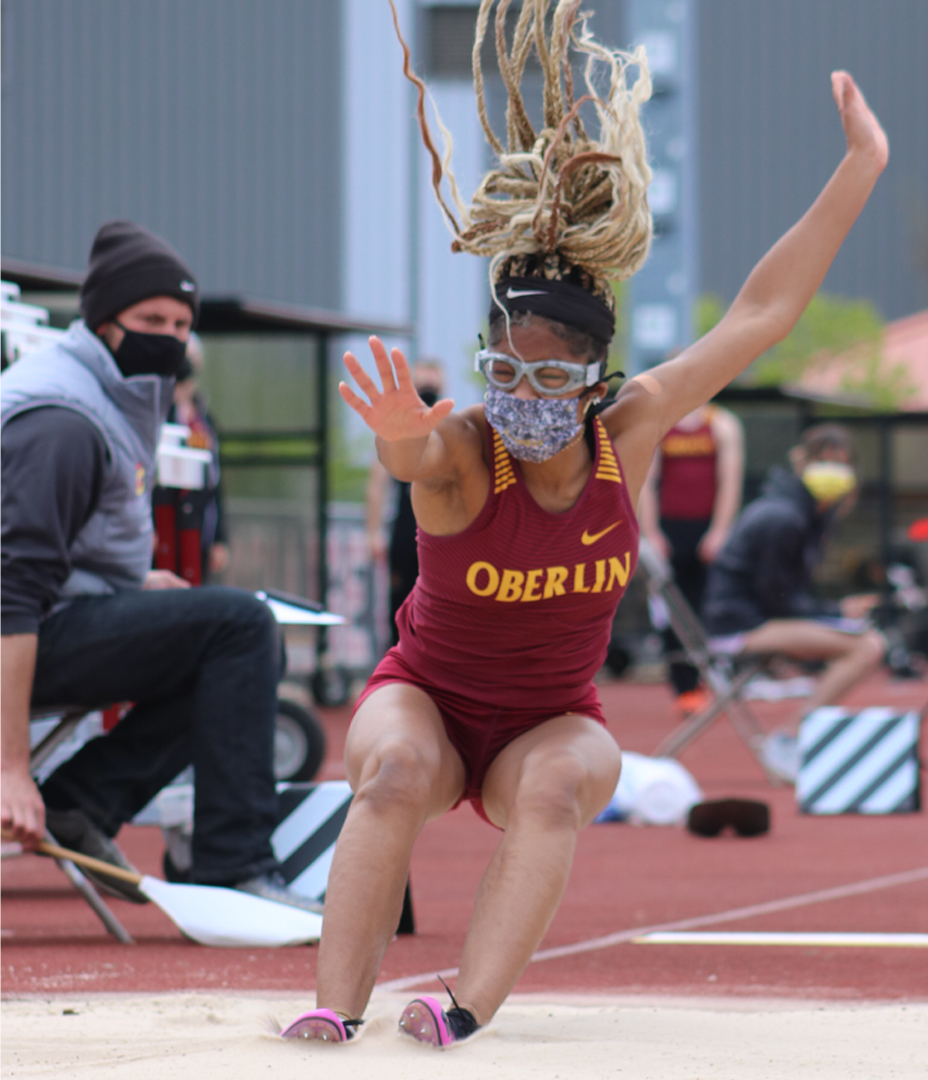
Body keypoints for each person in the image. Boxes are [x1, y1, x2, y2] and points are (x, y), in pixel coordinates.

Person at [276, 0, 886, 1046]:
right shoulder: (467, 447)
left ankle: (460, 1007)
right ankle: (333, 1009)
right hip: (424, 698)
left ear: (592, 379)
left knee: (557, 787)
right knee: (391, 774)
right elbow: (416, 457)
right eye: (504, 367)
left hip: (549, 722)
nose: (522, 390)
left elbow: (756, 316)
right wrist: (390, 433)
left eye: (549, 373)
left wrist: (858, 169)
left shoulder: (630, 430)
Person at [0, 220, 319, 914]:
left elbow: (63, 548)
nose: (170, 336)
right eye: (151, 319)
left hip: (50, 615)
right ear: (102, 321)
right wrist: (9, 769)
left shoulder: (113, 392)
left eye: (181, 322)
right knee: (238, 626)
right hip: (17, 630)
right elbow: (12, 592)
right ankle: (232, 868)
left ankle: (81, 804)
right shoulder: (64, 420)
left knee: (225, 635)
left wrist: (133, 586)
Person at [702, 423, 887, 777]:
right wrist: (834, 613)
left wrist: (834, 614)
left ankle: (798, 736)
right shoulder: (783, 517)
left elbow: (786, 593)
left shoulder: (807, 512)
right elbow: (778, 599)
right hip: (739, 625)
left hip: (758, 618)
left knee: (865, 641)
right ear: (802, 462)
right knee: (867, 647)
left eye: (842, 463)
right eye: (824, 460)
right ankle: (789, 737)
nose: (834, 471)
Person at [637, 402, 743, 712]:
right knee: (673, 610)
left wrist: (721, 531)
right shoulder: (662, 422)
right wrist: (652, 532)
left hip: (707, 528)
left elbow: (730, 481)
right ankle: (685, 687)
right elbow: (648, 482)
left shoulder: (722, 424)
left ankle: (716, 677)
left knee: (710, 605)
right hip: (670, 531)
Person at [363, 358, 445, 649]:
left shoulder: (449, 425)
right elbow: (377, 483)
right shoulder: (396, 427)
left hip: (441, 529)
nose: (428, 391)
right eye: (423, 385)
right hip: (406, 529)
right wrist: (373, 532)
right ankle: (400, 656)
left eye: (432, 385)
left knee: (439, 599)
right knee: (401, 599)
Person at [151, 334, 229, 586]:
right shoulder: (157, 412)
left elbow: (215, 481)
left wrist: (220, 538)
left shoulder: (204, 421)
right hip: (163, 524)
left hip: (197, 527)